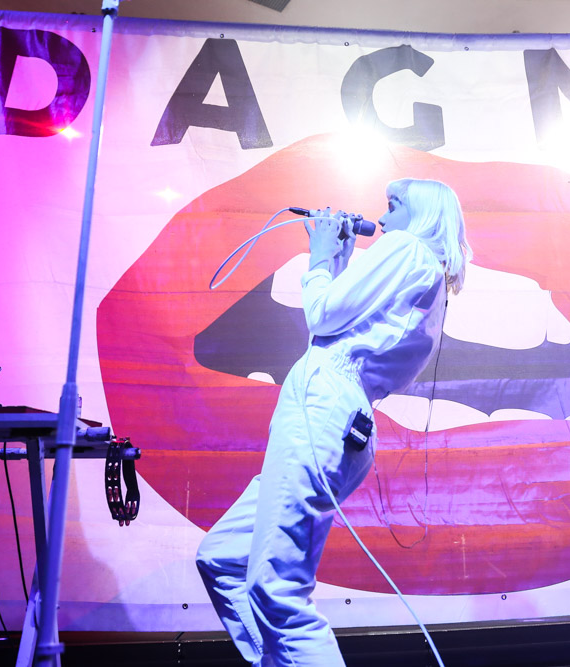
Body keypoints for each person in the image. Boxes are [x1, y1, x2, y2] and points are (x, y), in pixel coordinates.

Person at [195, 178, 472, 666]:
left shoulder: (407, 249)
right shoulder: (422, 271)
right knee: (221, 558)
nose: (381, 220)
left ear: (425, 214)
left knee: (275, 586)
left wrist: (320, 257)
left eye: (393, 206)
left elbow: (322, 316)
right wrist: (338, 263)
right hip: (332, 413)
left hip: (328, 408)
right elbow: (345, 318)